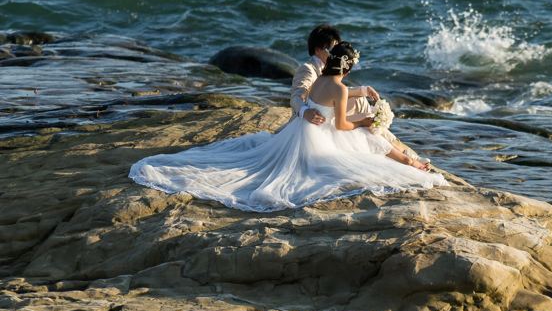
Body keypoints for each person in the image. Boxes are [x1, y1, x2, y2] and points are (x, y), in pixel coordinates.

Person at [128, 41, 447, 212]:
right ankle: (414, 163)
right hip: (322, 135)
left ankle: (412, 161)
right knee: (369, 137)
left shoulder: (323, 78)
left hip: (304, 131)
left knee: (371, 137)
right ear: (347, 67)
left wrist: (362, 93)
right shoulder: (338, 87)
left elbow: (332, 95)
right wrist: (367, 119)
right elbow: (344, 124)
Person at [289, 24, 423, 163]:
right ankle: (401, 153)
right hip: (314, 123)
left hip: (326, 115)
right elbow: (296, 98)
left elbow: (334, 92)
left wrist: (363, 90)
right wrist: (305, 111)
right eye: (332, 49)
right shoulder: (307, 69)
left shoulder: (328, 69)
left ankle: (398, 149)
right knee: (366, 117)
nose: (335, 53)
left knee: (360, 99)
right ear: (317, 50)